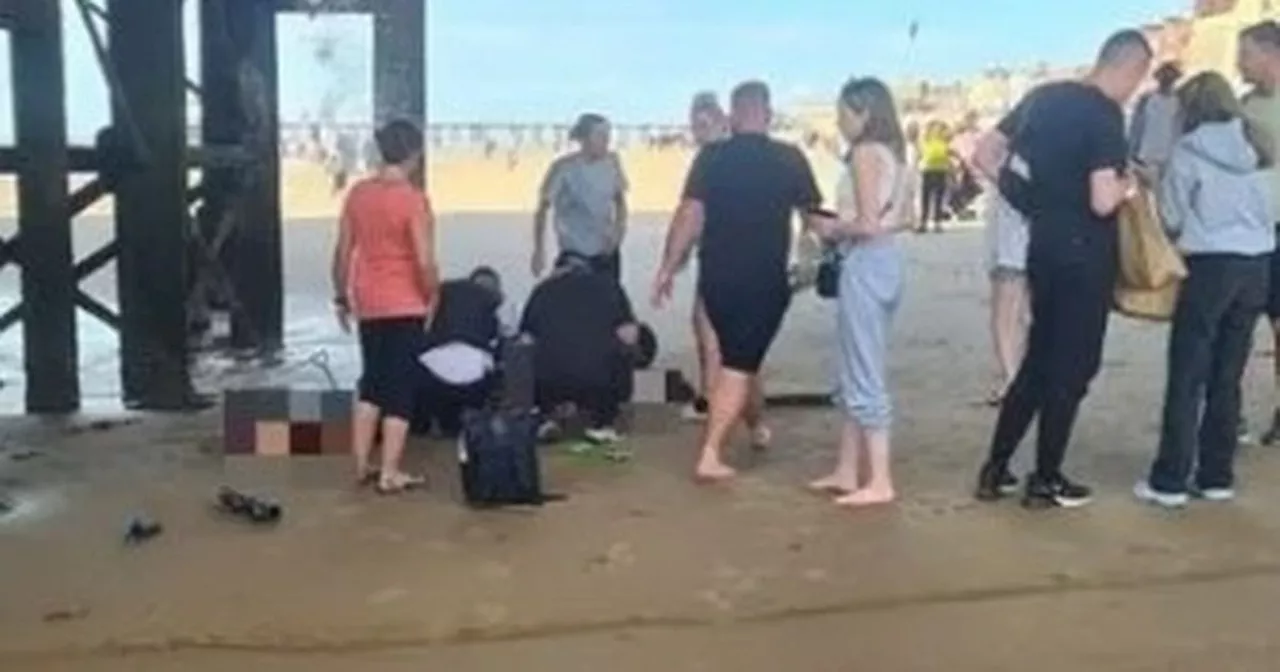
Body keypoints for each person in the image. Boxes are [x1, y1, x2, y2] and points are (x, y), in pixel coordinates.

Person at [973, 30, 1150, 508]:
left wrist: (1026, 198)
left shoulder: (1043, 98)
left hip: (1044, 245)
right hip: (1086, 254)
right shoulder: (1105, 114)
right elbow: (1101, 199)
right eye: (1139, 78)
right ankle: (1046, 477)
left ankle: (995, 469)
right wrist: (1129, 185)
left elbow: (983, 153)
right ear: (1130, 68)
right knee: (1073, 368)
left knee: (1037, 360)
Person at [651, 80, 823, 482]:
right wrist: (851, 233)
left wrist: (666, 267)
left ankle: (752, 426)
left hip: (716, 278)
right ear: (767, 112)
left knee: (737, 359)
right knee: (738, 363)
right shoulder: (790, 157)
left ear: (733, 113)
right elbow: (813, 220)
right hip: (764, 279)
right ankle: (712, 452)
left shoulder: (711, 157)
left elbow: (689, 214)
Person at [1133, 71, 1276, 509]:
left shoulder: (1188, 152)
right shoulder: (1259, 148)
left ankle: (1171, 479)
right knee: (1227, 375)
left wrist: (1155, 188)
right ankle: (1217, 475)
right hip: (1258, 265)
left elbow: (1174, 219)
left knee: (1187, 374)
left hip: (1210, 265)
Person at [807, 78, 911, 507]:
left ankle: (879, 479)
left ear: (863, 113)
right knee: (857, 364)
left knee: (863, 368)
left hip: (866, 263)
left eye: (843, 114)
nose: (839, 122)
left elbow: (866, 223)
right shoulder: (900, 157)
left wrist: (831, 228)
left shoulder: (866, 154)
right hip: (889, 262)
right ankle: (848, 469)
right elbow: (905, 218)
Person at [331, 119, 436, 494]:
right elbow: (423, 259)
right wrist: (432, 294)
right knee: (401, 387)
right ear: (414, 154)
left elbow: (343, 252)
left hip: (368, 299)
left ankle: (361, 464)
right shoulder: (412, 198)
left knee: (372, 381)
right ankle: (390, 471)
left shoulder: (359, 194)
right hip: (405, 300)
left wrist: (341, 295)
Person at [522, 258, 641, 444]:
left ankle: (546, 418)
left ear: (557, 269)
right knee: (623, 351)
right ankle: (603, 422)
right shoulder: (609, 287)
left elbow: (525, 339)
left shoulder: (541, 290)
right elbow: (630, 336)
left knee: (530, 358)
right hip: (597, 382)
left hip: (549, 383)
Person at [1236, 21, 1280, 444]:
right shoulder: (1243, 108)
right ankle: (1231, 413)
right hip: (1248, 231)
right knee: (1237, 326)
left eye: (1246, 53)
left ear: (1270, 53)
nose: (1239, 63)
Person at [676, 92, 730, 422]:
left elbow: (693, 210)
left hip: (718, 255)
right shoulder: (738, 153)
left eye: (701, 124)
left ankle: (710, 400)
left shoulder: (710, 158)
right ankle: (743, 411)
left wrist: (676, 255)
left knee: (707, 328)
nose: (696, 131)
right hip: (735, 254)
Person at [972, 117, 1031, 407]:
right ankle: (1019, 376)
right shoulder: (1045, 159)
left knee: (1006, 316)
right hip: (1034, 246)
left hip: (1010, 247)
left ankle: (1012, 377)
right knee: (1023, 317)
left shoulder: (1009, 163)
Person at [532, 113, 630, 282]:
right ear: (584, 139)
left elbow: (620, 201)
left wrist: (619, 231)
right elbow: (542, 209)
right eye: (600, 136)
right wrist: (539, 250)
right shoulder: (563, 168)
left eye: (608, 136)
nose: (606, 141)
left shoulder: (613, 163)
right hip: (575, 252)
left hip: (606, 250)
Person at [412, 267, 505, 438]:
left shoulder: (444, 292)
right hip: (473, 382)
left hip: (431, 376)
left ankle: (425, 424)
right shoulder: (489, 303)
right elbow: (497, 345)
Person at [1128, 62, 1184, 186]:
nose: (1167, 80)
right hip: (1145, 158)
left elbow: (1178, 131)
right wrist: (1131, 153)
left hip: (1167, 161)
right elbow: (1136, 127)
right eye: (1164, 76)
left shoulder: (1179, 103)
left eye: (1171, 77)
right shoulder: (1147, 99)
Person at [917, 121, 952, 233]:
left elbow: (948, 154)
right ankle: (924, 222)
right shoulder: (926, 140)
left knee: (937, 197)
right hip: (928, 169)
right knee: (926, 197)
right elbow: (920, 154)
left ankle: (936, 222)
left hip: (940, 169)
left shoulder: (944, 140)